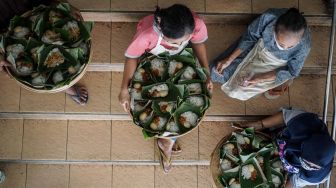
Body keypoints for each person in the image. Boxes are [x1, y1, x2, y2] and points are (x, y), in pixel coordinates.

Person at [118, 4, 212, 173]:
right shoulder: (147, 35)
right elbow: (132, 57)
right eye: (175, 42)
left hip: (181, 60)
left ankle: (166, 141)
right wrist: (124, 89)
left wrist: (206, 72)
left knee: (178, 106)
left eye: (185, 39)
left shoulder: (196, 23)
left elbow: (198, 43)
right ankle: (166, 142)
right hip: (153, 57)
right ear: (163, 33)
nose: (181, 44)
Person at [0, 0, 89, 105]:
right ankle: (62, 84)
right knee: (23, 69)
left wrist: (62, 5)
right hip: (5, 34)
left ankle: (63, 81)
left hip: (34, 12)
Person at [211, 8, 311, 100]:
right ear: (274, 29)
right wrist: (229, 59)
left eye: (290, 47)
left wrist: (259, 78)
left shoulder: (304, 45)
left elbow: (292, 71)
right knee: (214, 70)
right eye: (281, 44)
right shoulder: (269, 18)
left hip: (275, 65)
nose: (285, 48)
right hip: (258, 47)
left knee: (238, 90)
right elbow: (250, 37)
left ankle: (280, 83)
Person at [238, 108, 336, 188]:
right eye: (306, 160)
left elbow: (294, 182)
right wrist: (261, 124)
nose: (308, 165)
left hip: (288, 169)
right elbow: (284, 116)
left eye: (311, 166)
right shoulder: (305, 124)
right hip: (285, 140)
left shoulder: (316, 176)